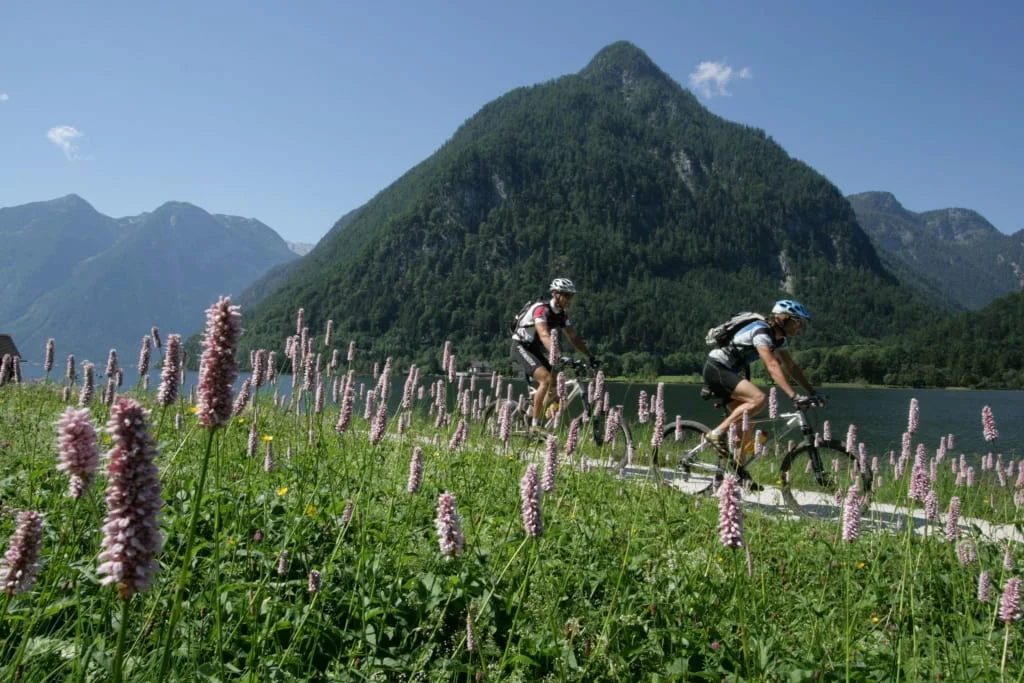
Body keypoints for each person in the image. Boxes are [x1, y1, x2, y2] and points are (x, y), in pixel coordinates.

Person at [702, 299, 821, 490]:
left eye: (802, 323)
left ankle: (735, 473)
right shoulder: (761, 332)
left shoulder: (779, 339)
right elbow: (772, 365)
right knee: (759, 399)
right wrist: (793, 396)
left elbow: (791, 367)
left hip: (730, 372)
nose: (800, 327)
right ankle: (716, 434)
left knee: (747, 425)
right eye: (797, 321)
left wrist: (812, 392)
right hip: (717, 369)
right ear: (783, 318)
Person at [510, 278, 598, 433]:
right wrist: (557, 355)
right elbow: (544, 334)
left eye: (571, 296)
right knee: (546, 379)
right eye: (566, 295)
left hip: (535, 349)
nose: (569, 299)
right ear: (555, 294)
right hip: (520, 346)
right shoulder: (541, 310)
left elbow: (573, 337)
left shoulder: (562, 315)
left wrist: (589, 356)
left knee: (558, 383)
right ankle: (535, 426)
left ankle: (542, 414)